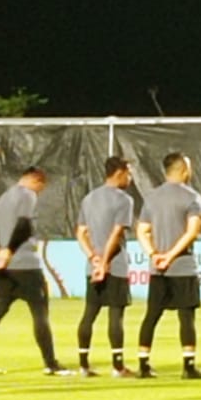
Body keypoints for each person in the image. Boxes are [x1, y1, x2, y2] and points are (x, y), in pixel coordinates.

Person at [0, 166, 69, 375]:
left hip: (5, 268)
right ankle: (50, 363)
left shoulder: (3, 197)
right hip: (25, 264)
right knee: (40, 313)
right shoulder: (27, 195)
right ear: (36, 180)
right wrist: (9, 250)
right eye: (40, 187)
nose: (39, 192)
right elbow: (24, 225)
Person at [135, 152, 201, 379]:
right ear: (184, 170)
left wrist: (154, 254)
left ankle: (143, 364)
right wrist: (172, 255)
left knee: (152, 315)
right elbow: (192, 230)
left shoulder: (152, 197)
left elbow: (142, 230)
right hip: (182, 265)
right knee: (186, 316)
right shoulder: (192, 196)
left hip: (158, 268)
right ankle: (188, 366)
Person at [73, 156, 136, 377]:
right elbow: (116, 233)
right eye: (129, 173)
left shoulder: (89, 199)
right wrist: (106, 261)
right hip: (115, 265)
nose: (130, 177)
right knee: (115, 315)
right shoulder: (124, 200)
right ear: (119, 173)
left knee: (89, 313)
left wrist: (93, 258)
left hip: (93, 266)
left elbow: (80, 233)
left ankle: (83, 365)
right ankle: (118, 366)